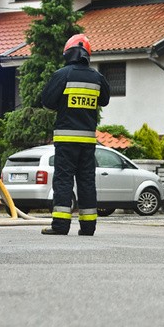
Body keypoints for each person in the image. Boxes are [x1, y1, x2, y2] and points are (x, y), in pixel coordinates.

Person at [40, 34, 111, 236]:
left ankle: (61, 226)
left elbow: (47, 101)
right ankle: (88, 227)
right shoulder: (98, 78)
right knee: (86, 181)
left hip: (66, 140)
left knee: (63, 180)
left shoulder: (63, 75)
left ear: (68, 53)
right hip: (88, 142)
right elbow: (104, 100)